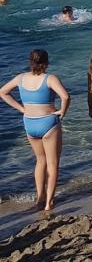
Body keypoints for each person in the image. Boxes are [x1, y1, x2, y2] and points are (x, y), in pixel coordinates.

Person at [0, 49, 69, 210]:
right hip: (48, 122)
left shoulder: (21, 78)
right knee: (53, 163)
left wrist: (21, 108)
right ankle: (49, 203)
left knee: (40, 161)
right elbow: (65, 96)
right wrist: (62, 111)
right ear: (46, 63)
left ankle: (40, 197)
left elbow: (3, 92)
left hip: (29, 122)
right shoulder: (49, 78)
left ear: (30, 62)